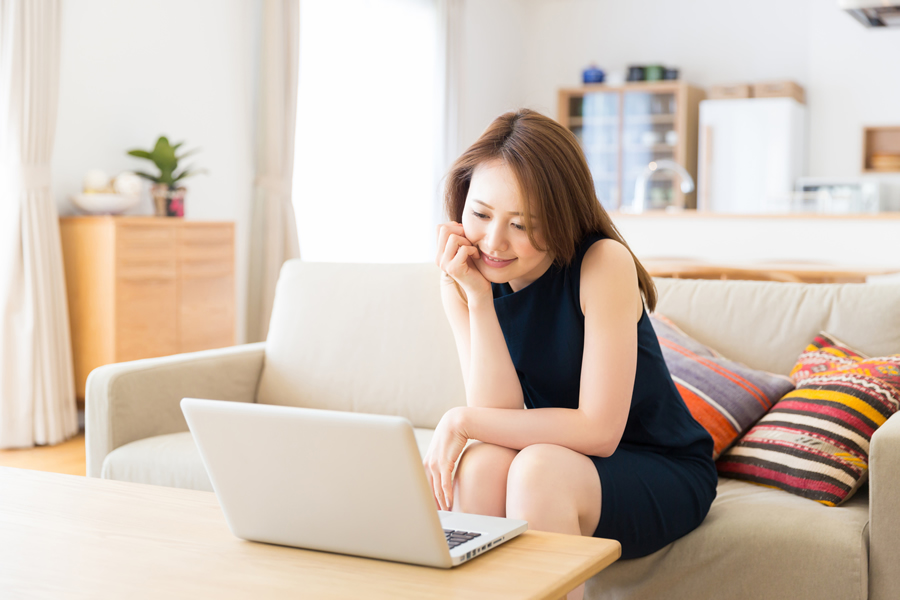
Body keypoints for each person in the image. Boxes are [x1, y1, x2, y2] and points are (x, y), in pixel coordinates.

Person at [424, 109, 717, 599]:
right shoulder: (464, 277)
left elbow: (599, 433)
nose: (494, 242)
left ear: (562, 217)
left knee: (539, 470)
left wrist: (461, 420)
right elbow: (497, 415)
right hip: (560, 458)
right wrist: (476, 298)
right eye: (480, 214)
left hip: (656, 463)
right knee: (480, 466)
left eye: (523, 224)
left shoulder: (602, 263)